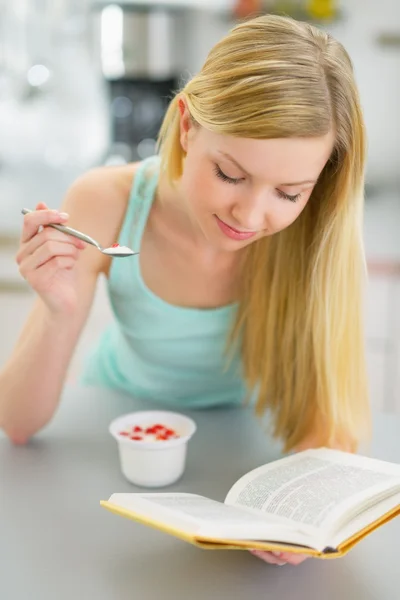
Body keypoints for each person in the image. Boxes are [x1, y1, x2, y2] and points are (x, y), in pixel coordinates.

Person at [0, 15, 370, 565]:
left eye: (289, 194)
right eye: (229, 174)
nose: (249, 215)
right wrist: (58, 309)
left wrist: (295, 514)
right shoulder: (109, 201)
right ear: (188, 124)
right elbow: (18, 422)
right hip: (115, 422)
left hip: (244, 435)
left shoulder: (319, 235)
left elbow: (329, 423)